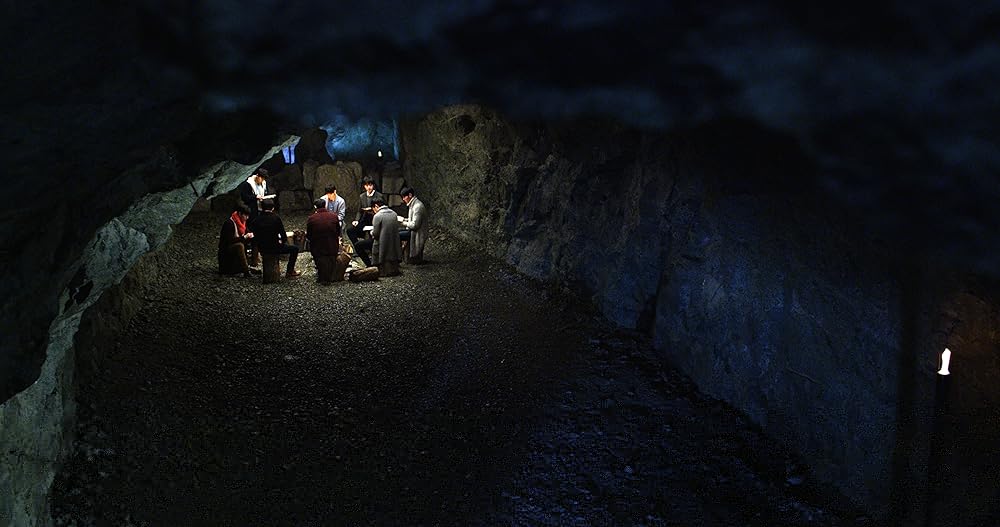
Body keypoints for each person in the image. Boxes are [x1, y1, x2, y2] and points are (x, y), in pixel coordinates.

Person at [249, 199, 301, 278]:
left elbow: (252, 233)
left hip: (262, 248)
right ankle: (290, 271)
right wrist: (281, 242)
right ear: (273, 208)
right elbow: (283, 236)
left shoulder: (256, 220)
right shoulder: (276, 218)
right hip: (275, 247)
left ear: (261, 207)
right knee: (295, 249)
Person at [306, 198, 341, 283]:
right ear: (325, 205)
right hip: (332, 246)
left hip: (318, 247)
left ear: (315, 207)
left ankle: (322, 276)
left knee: (320, 259)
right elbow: (338, 232)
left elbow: (309, 235)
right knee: (330, 260)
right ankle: (329, 276)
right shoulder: (334, 216)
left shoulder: (311, 219)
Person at [218, 204, 255, 277]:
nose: (247, 218)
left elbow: (246, 232)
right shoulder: (229, 223)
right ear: (240, 214)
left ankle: (253, 263)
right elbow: (229, 241)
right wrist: (244, 237)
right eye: (245, 215)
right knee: (239, 246)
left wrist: (250, 236)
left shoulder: (242, 223)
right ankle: (246, 270)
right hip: (226, 248)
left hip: (237, 245)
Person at [347, 176, 383, 245]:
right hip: (364, 219)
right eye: (367, 185)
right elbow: (359, 210)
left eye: (370, 185)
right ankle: (359, 247)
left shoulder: (379, 196)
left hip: (376, 219)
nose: (369, 187)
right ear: (364, 186)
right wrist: (357, 220)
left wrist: (372, 209)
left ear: (373, 185)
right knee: (350, 231)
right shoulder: (362, 196)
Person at [370, 197, 402, 275]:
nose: (374, 211)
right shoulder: (394, 214)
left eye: (373, 209)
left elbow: (376, 233)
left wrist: (371, 232)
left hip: (382, 244)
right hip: (394, 243)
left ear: (376, 206)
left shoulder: (377, 216)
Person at [397, 186, 428, 264]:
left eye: (404, 197)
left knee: (396, 235)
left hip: (418, 233)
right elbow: (412, 219)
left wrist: (402, 223)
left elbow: (415, 225)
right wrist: (404, 219)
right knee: (396, 231)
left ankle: (398, 257)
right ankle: (401, 256)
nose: (403, 199)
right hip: (413, 231)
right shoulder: (413, 204)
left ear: (410, 195)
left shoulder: (417, 207)